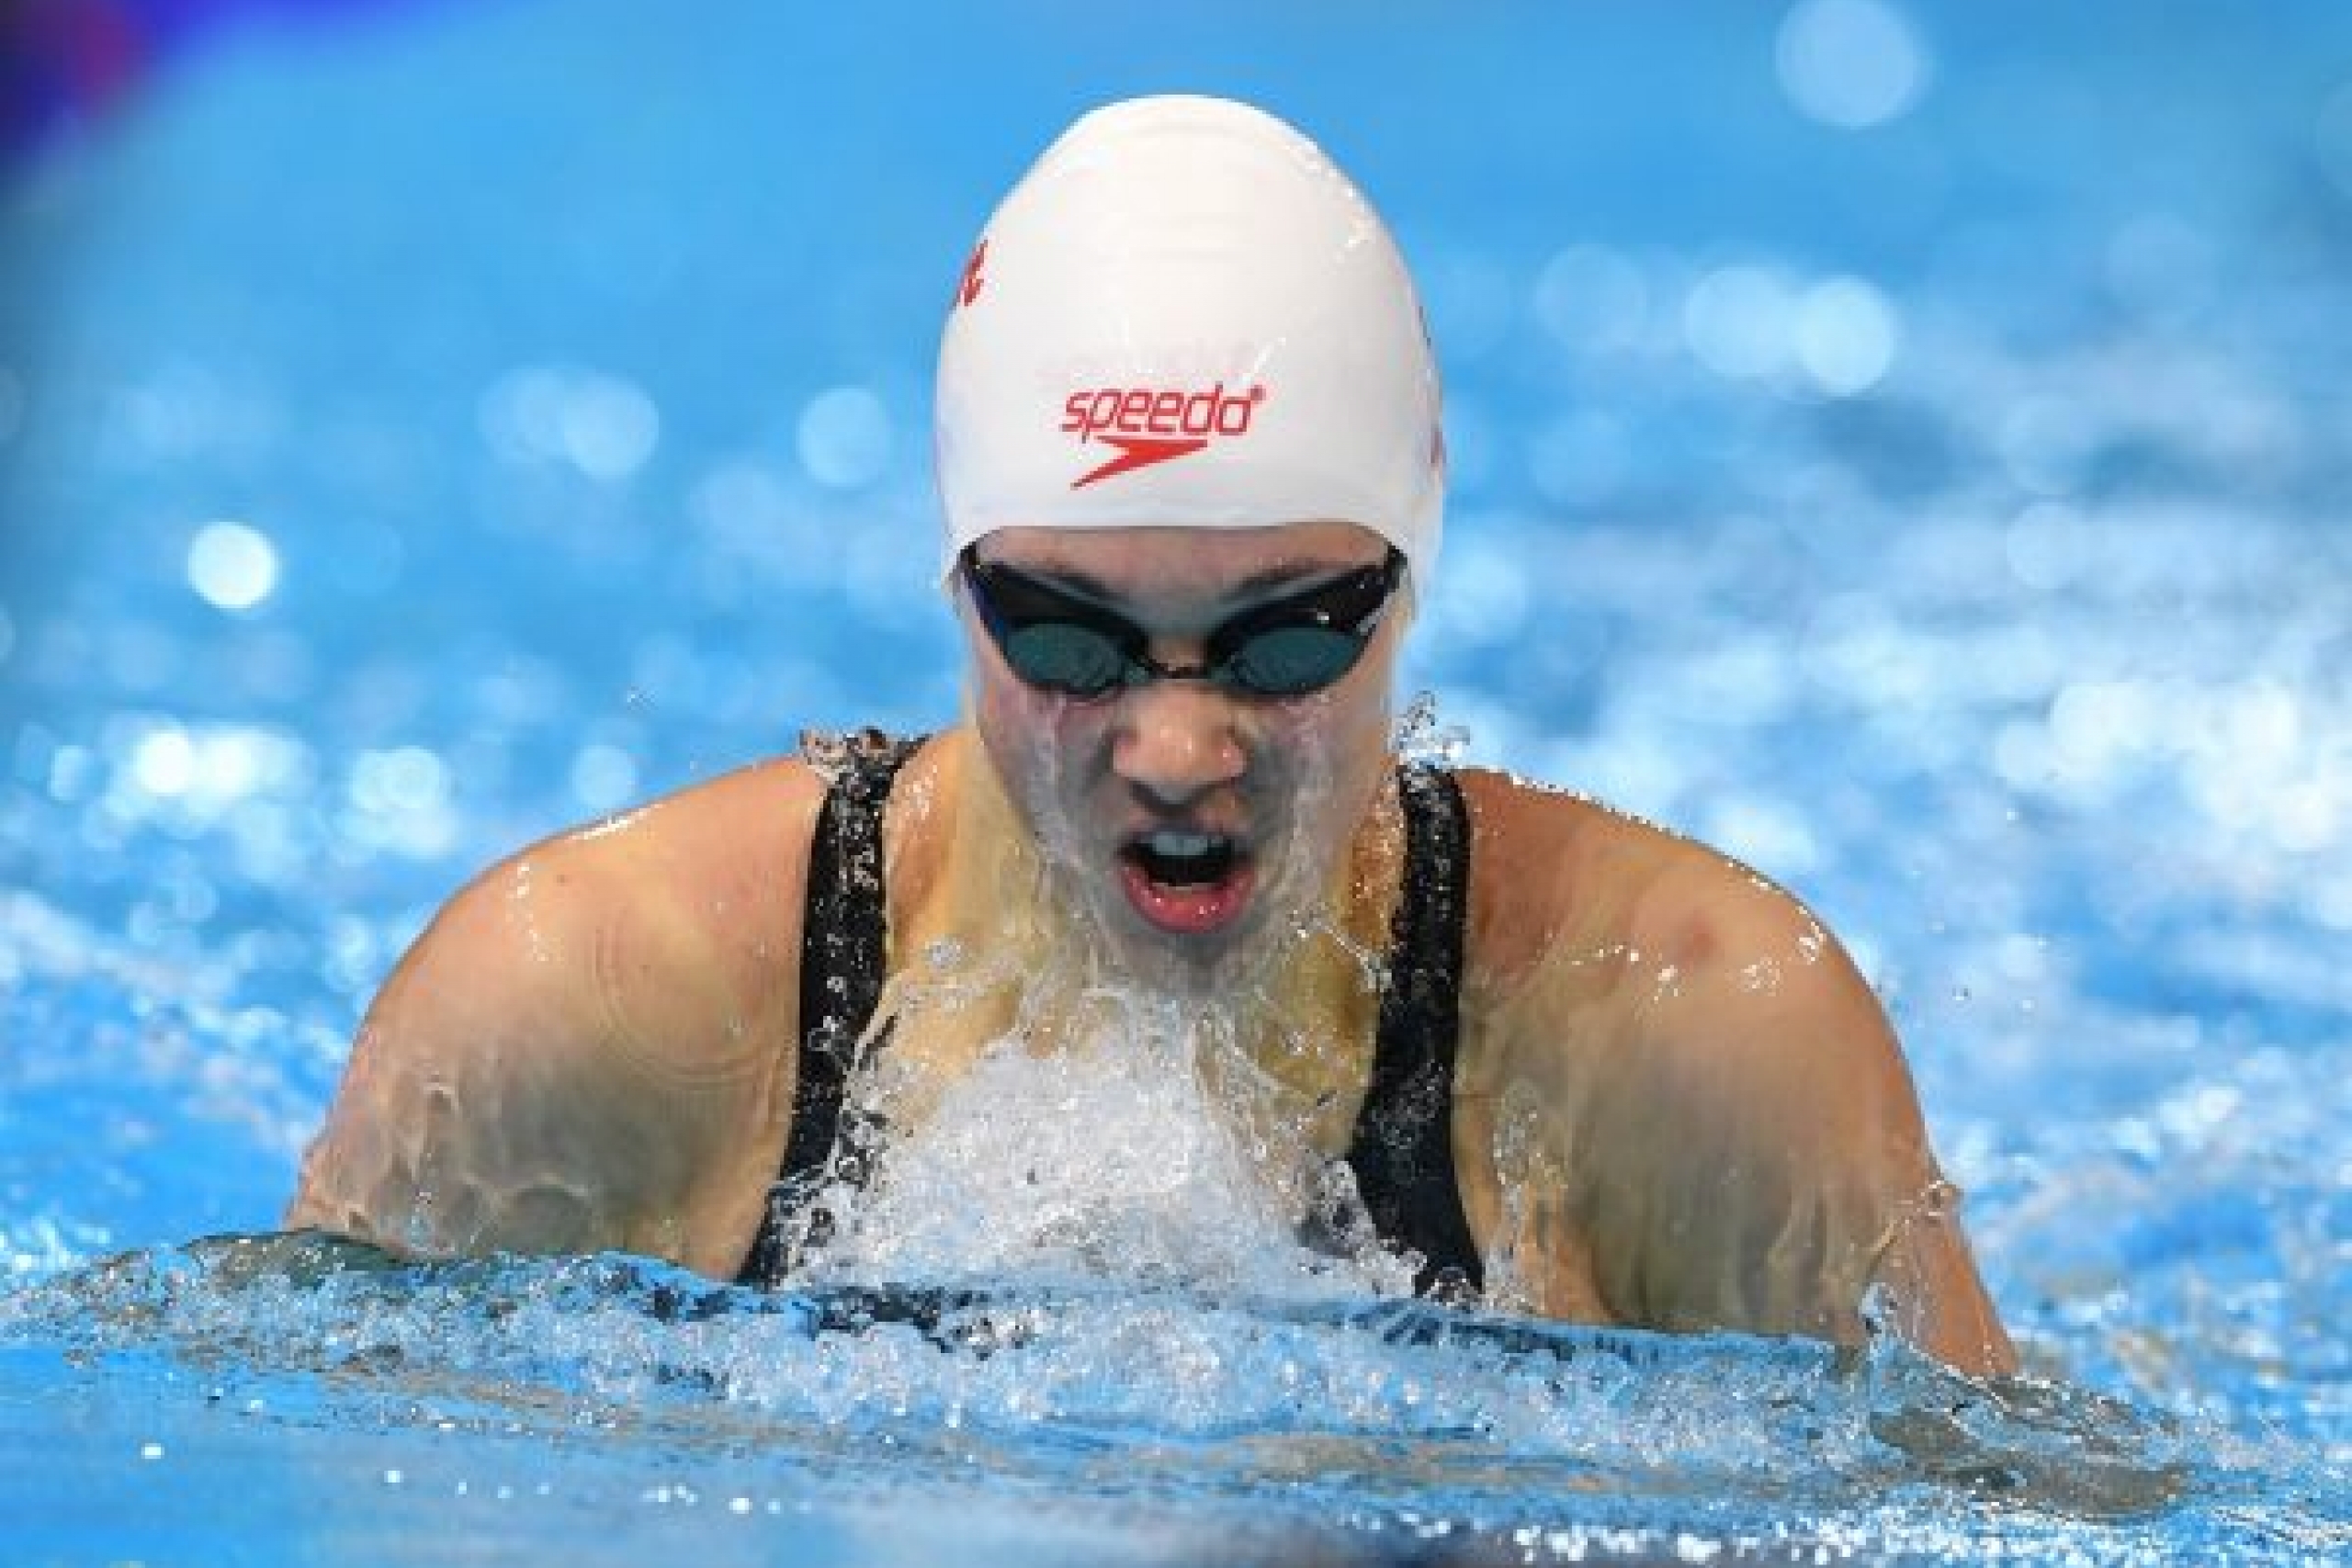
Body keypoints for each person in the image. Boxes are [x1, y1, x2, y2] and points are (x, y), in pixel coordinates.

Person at [285, 95, 2016, 1376]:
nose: (1179, 746)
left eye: (1279, 639)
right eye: (1069, 636)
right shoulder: (594, 1003)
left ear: (1408, 577)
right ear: (955, 577)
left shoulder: (1692, 1039)